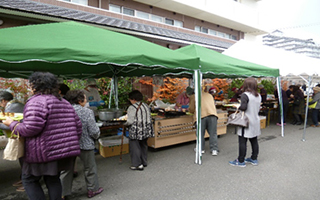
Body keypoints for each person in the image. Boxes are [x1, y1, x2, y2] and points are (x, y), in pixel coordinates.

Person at [3, 72, 82, 200]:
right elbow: (78, 127)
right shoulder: (64, 102)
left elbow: (30, 129)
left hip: (41, 152)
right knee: (53, 179)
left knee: (29, 180)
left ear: (35, 86)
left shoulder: (37, 102)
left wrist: (12, 124)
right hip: (62, 152)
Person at [62, 89, 103, 199]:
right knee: (90, 168)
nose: (86, 100)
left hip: (68, 144)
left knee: (66, 170)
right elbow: (94, 131)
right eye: (85, 98)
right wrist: (97, 136)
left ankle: (63, 193)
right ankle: (92, 190)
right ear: (80, 100)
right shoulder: (87, 112)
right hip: (85, 144)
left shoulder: (63, 111)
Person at [229, 77, 261, 167]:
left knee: (242, 141)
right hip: (255, 120)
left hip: (246, 121)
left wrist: (237, 106)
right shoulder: (258, 96)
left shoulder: (245, 95)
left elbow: (243, 107)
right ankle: (254, 158)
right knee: (254, 140)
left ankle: (241, 160)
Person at [0, 91, 25, 192]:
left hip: (22, 135)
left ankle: (27, 181)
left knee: (24, 159)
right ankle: (24, 179)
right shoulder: (17, 104)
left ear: (4, 100)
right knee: (23, 158)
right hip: (23, 134)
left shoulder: (12, 107)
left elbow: (10, 125)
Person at [125, 90, 154, 170]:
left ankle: (137, 164)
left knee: (135, 147)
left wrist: (124, 123)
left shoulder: (132, 107)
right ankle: (144, 162)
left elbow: (130, 121)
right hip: (146, 129)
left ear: (133, 99)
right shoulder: (146, 105)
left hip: (136, 130)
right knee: (143, 145)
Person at [189, 86, 219, 156]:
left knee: (200, 134)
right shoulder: (209, 95)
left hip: (201, 116)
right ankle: (214, 150)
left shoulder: (194, 96)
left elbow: (192, 109)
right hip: (212, 114)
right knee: (213, 133)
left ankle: (201, 149)